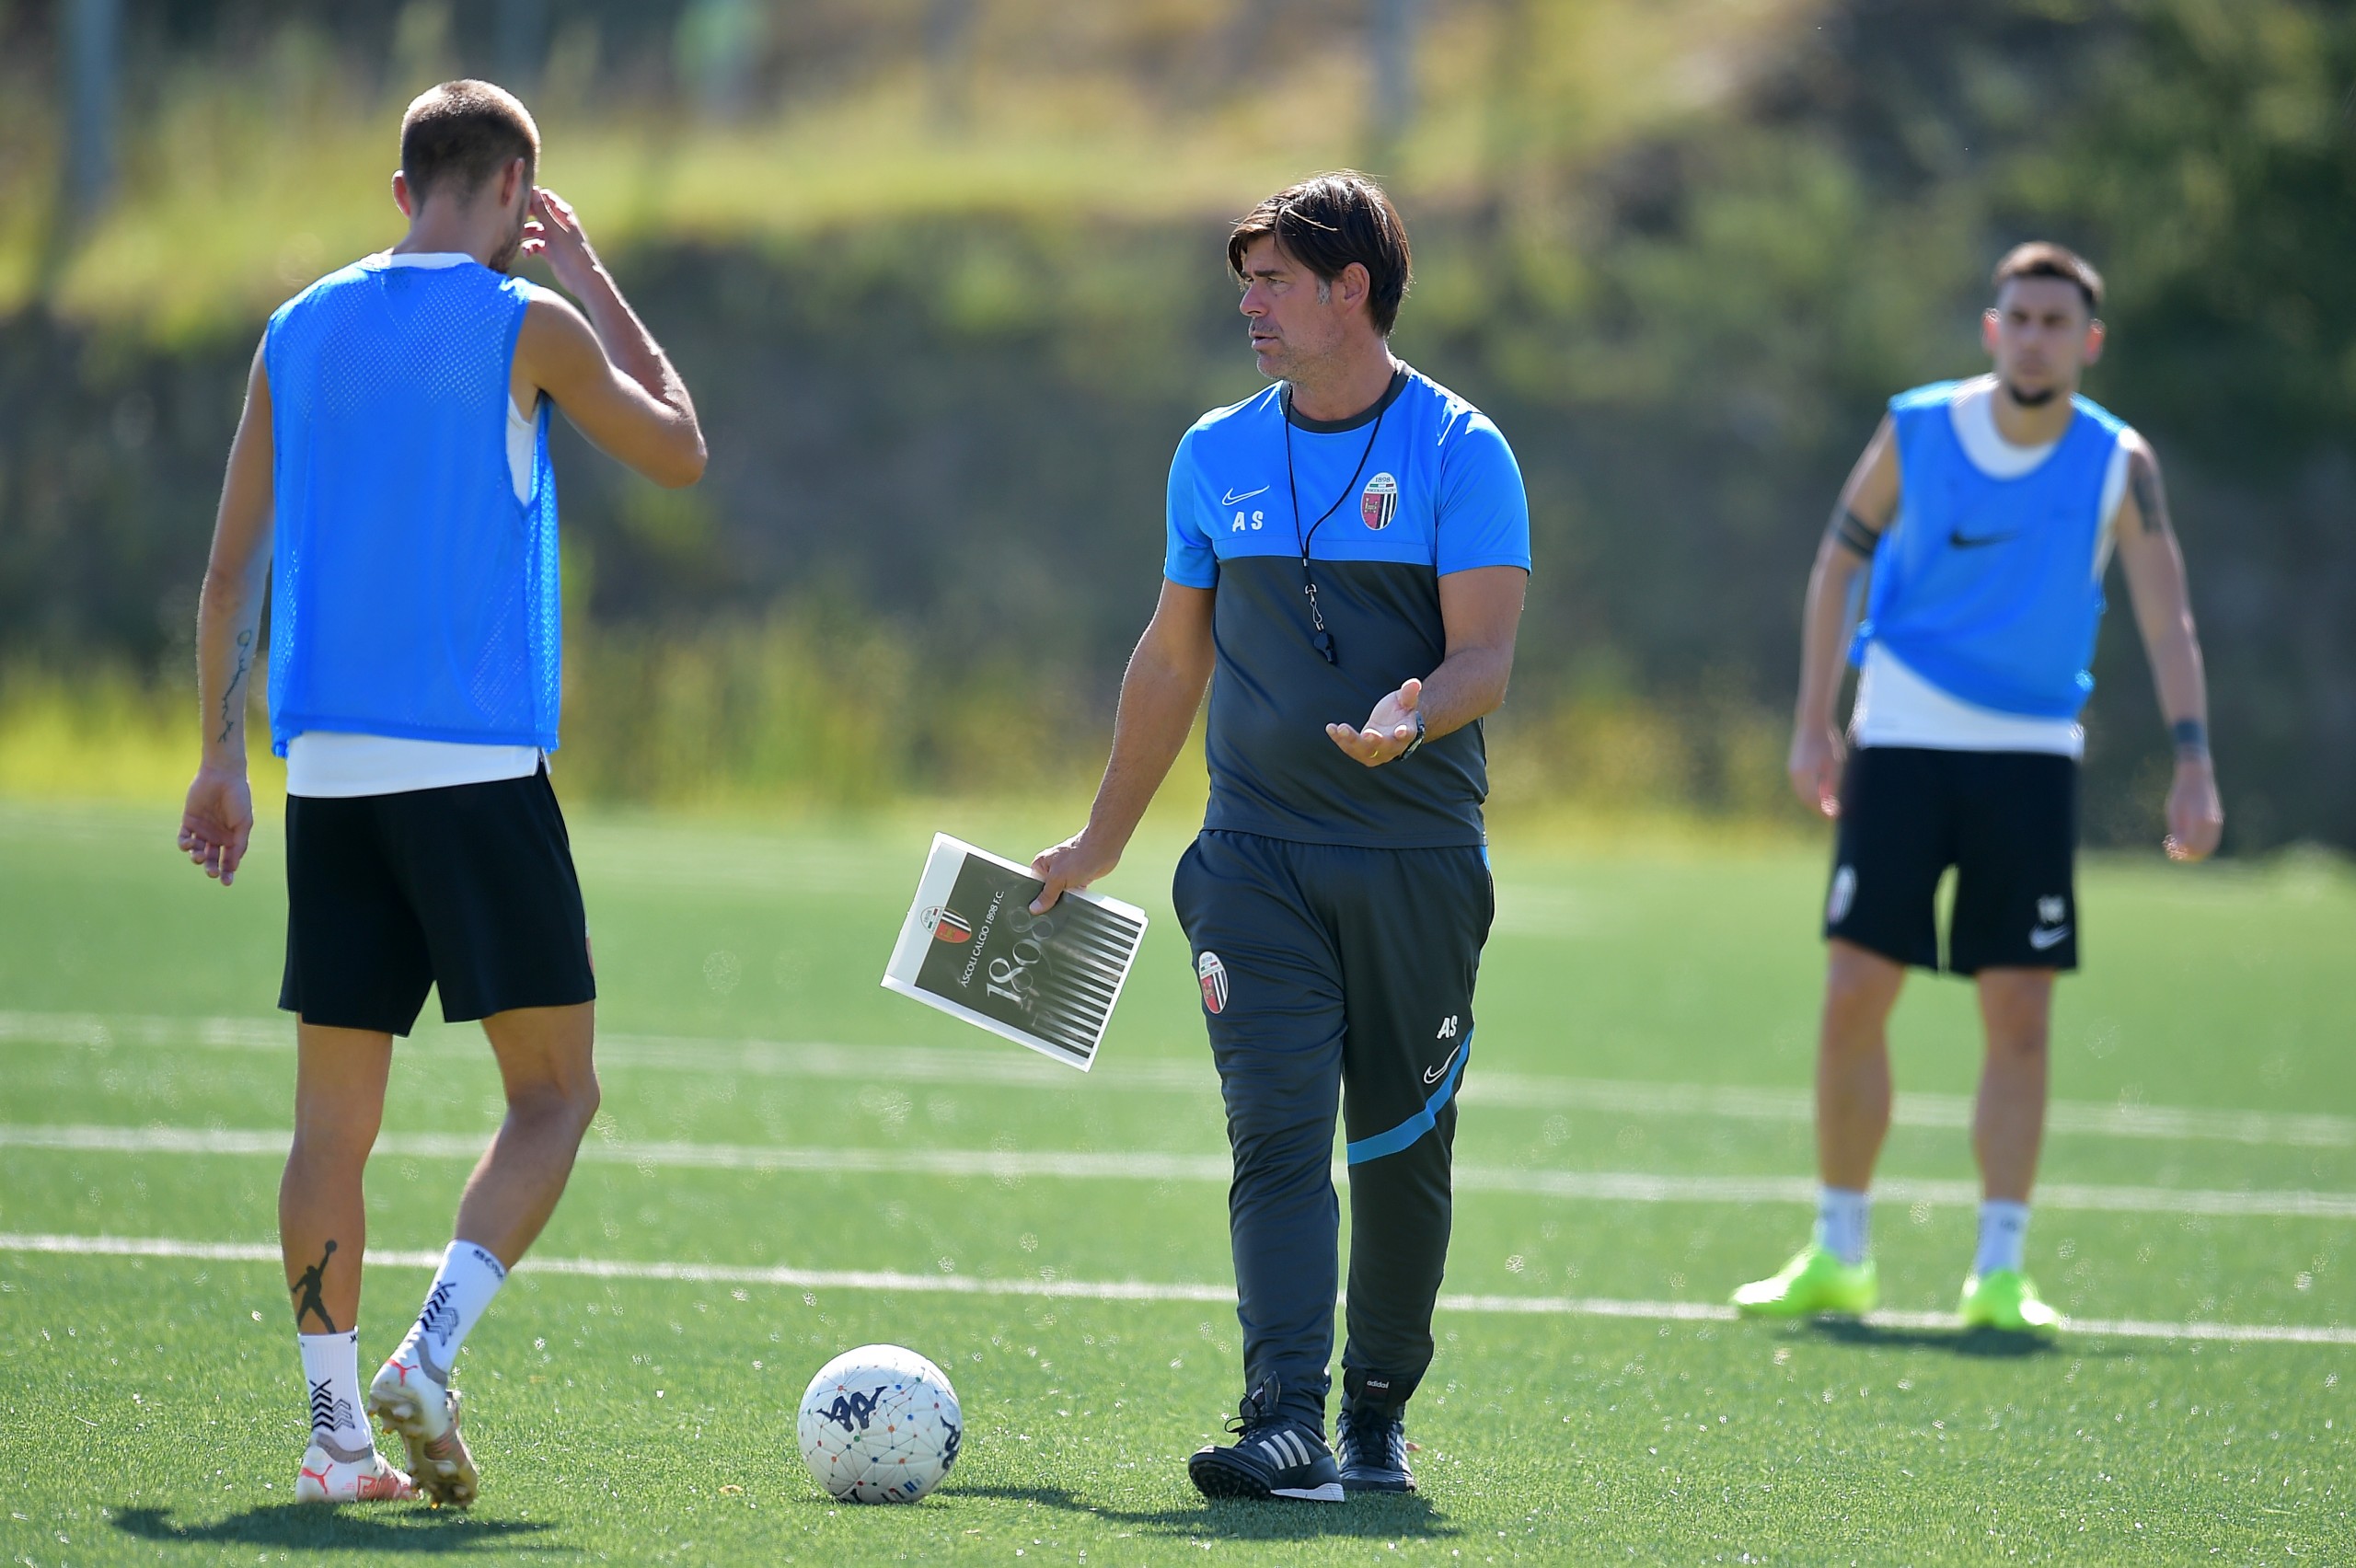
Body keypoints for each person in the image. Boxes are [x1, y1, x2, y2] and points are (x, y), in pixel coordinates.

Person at [177, 79, 705, 1505]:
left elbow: (230, 571)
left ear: (402, 190)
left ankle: (335, 1436)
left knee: (328, 1128)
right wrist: (590, 277)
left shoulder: (297, 329)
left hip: (329, 782)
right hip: (476, 778)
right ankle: (432, 1348)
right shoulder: (531, 321)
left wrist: (220, 756)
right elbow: (677, 448)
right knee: (554, 1095)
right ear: (520, 199)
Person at [1030, 172, 1530, 1500]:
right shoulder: (1212, 450)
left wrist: (1416, 713)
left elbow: (1486, 656)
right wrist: (1100, 840)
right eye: (1242, 279)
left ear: (1350, 289)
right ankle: (1283, 1411)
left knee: (1400, 1153)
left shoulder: (1461, 451)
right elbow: (1170, 658)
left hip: (1418, 864)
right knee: (1275, 1132)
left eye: (1273, 281)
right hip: (1250, 861)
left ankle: (1376, 1410)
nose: (1247, 304)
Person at [1732, 242, 2223, 1334]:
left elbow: (2164, 615)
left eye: (2057, 320)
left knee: (2021, 1012)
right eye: (2019, 316)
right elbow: (1836, 562)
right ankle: (1838, 1248)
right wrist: (1814, 717)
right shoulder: (1916, 429)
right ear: (1992, 330)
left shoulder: (2116, 463)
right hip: (1901, 738)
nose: (2036, 335)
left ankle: (2000, 1269)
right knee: (1854, 991)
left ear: (2087, 343)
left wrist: (2193, 760)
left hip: (2032, 755)